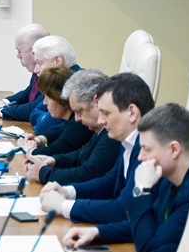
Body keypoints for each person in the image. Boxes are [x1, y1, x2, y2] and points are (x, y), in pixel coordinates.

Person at [63, 103, 189, 252]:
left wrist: (141, 190)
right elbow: (147, 224)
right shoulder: (172, 179)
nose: (140, 156)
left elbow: (149, 251)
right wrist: (97, 232)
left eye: (147, 149)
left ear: (173, 149)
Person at [39, 72, 154, 227]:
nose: (101, 120)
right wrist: (67, 191)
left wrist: (64, 206)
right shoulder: (129, 142)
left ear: (132, 113)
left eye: (106, 113)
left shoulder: (148, 151)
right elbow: (109, 182)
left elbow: (124, 209)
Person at [21, 69, 120, 185]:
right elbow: (81, 154)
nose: (77, 119)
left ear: (96, 102)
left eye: (80, 111)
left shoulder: (113, 134)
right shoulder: (101, 130)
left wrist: (44, 173)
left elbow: (88, 174)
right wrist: (55, 160)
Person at [17, 66, 91, 155]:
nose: (44, 102)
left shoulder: (79, 122)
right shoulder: (72, 120)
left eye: (48, 97)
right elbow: (61, 133)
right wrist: (38, 140)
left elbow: (58, 148)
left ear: (60, 97)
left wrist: (29, 150)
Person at [0, 23, 49, 119]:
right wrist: (5, 102)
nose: (18, 56)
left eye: (19, 51)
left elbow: (36, 107)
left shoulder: (56, 76)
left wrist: (2, 111)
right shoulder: (39, 69)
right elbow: (28, 93)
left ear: (34, 50)